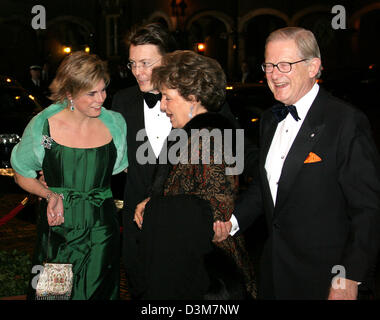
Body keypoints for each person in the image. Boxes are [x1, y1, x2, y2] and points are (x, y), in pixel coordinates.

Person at [213, 27, 380, 300]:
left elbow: (368, 210)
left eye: (285, 65)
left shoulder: (345, 122)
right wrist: (231, 222)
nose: (274, 74)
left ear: (314, 67)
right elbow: (268, 186)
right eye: (268, 65)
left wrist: (349, 277)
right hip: (275, 273)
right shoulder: (269, 120)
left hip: (326, 280)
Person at [111, 22, 244, 299]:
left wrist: (234, 218)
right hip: (140, 236)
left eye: (146, 63)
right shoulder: (122, 102)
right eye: (132, 63)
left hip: (193, 248)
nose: (138, 72)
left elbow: (237, 167)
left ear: (168, 60)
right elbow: (108, 151)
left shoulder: (210, 115)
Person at [133, 50, 256, 299]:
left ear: (192, 97)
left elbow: (216, 208)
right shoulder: (192, 136)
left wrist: (156, 208)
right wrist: (153, 203)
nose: (163, 106)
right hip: (193, 263)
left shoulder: (209, 139)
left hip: (209, 276)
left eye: (167, 97)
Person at [11, 51, 128, 300]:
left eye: (103, 90)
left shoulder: (115, 124)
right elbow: (21, 174)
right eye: (92, 93)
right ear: (69, 93)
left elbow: (121, 169)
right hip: (58, 233)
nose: (101, 99)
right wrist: (49, 193)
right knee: (54, 296)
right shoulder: (44, 126)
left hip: (101, 233)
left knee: (98, 295)